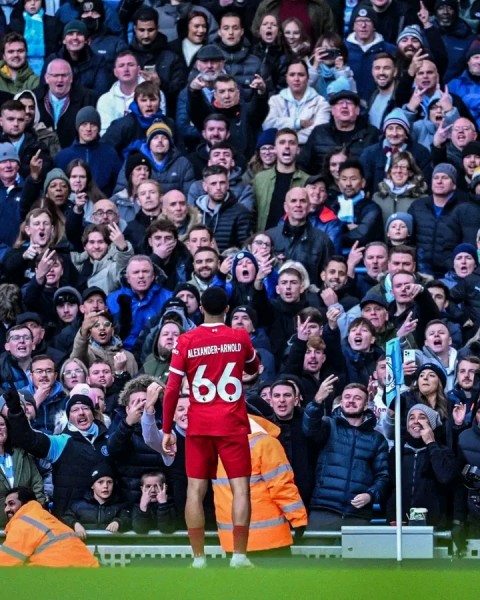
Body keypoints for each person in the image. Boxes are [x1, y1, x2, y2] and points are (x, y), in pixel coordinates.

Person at [161, 286, 260, 568]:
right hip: (232, 423)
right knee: (240, 489)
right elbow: (253, 369)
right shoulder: (239, 337)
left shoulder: (186, 340)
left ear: (201, 308)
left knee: (195, 490)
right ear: (227, 310)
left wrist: (167, 429)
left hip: (199, 425)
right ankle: (239, 556)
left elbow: (172, 388)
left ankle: (198, 559)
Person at [2, 389, 112, 517]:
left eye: (85, 408)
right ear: (69, 417)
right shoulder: (60, 442)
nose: (81, 412)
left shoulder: (108, 440)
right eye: (75, 410)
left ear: (93, 414)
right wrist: (16, 411)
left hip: (104, 516)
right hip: (68, 518)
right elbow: (29, 439)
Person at [213, 414, 308, 555]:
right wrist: (298, 519)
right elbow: (281, 485)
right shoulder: (265, 443)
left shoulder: (218, 447)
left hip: (232, 541)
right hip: (269, 539)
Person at [303, 383, 389, 530]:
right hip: (323, 509)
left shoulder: (377, 439)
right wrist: (317, 402)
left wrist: (370, 495)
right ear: (341, 402)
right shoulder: (328, 425)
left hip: (358, 515)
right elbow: (309, 429)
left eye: (357, 398)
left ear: (366, 405)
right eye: (347, 397)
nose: (351, 401)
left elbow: (383, 476)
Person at [387, 404, 458, 527]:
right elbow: (388, 484)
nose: (416, 421)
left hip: (432, 522)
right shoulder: (398, 451)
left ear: (431, 424)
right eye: (411, 418)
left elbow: (445, 477)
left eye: (422, 417)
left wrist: (431, 442)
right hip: (398, 521)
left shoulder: (443, 451)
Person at [0, 486, 99, 566]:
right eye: (6, 505)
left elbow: (7, 562)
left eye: (11, 504)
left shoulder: (22, 523)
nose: (6, 509)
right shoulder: (46, 517)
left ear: (25, 503)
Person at [263, 59, 330, 145]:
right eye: (292, 75)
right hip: (281, 151)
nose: (296, 79)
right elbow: (268, 125)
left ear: (308, 78)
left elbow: (320, 131)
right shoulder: (275, 101)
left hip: (309, 149)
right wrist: (297, 123)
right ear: (286, 78)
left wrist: (289, 139)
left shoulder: (321, 102)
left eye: (301, 75)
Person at [253, 128, 309, 231]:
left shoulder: (307, 181)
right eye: (282, 142)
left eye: (291, 143)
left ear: (298, 150)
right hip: (264, 238)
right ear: (275, 149)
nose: (287, 146)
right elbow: (252, 213)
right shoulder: (260, 179)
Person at [0, 412, 46, 528]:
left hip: (29, 524)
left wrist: (38, 513)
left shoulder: (22, 454)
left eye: (2, 425)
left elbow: (37, 485)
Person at [62, 463, 131, 535]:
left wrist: (118, 522)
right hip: (85, 542)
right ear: (92, 486)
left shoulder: (120, 506)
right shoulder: (79, 506)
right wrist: (75, 524)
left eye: (109, 482)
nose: (105, 486)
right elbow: (65, 518)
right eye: (100, 482)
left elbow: (128, 519)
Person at [0, 32, 39, 98]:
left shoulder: (35, 82)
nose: (16, 55)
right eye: (11, 51)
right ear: (4, 56)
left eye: (20, 51)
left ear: (26, 53)